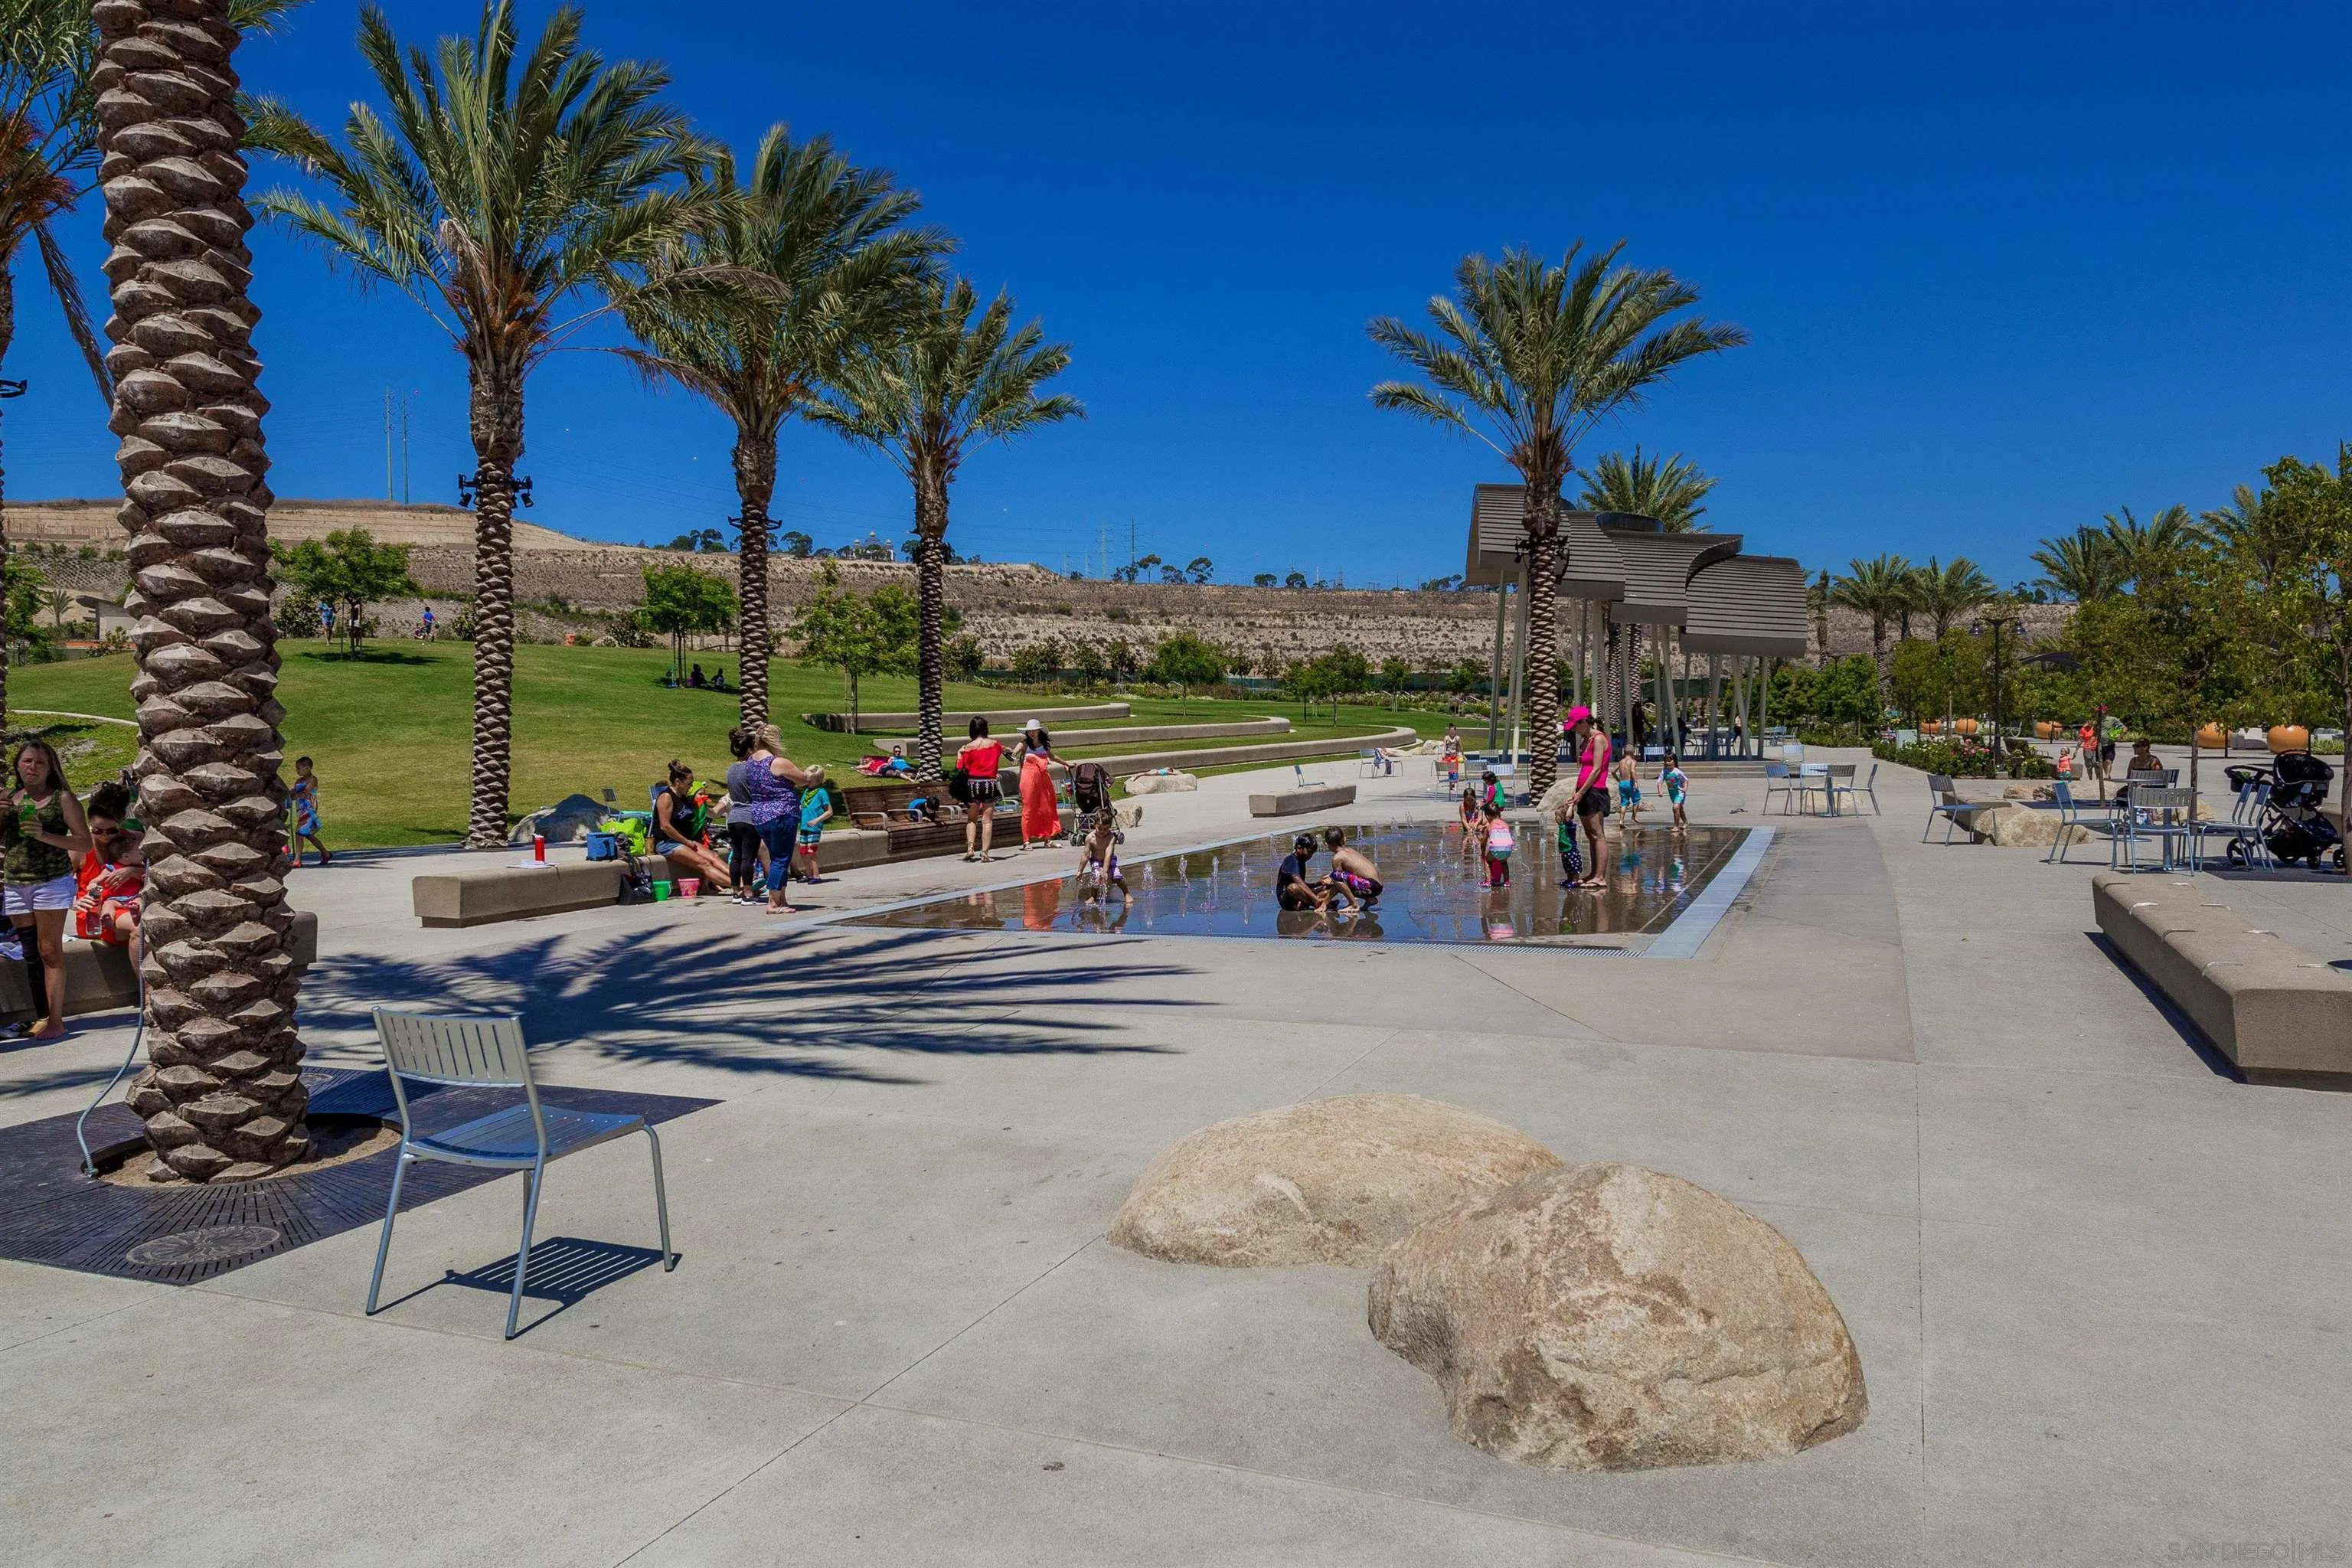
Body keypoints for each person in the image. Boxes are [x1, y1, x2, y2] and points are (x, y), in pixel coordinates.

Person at [3, 740, 92, 1040]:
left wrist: (44, 835)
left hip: (51, 881)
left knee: (49, 950)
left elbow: (84, 843)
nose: (33, 767)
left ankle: (56, 1021)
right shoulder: (8, 799)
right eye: (27, 761)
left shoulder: (62, 799)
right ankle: (41, 1016)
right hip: (17, 882)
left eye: (40, 762)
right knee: (30, 952)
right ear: (17, 765)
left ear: (50, 768)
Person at [733, 726, 822, 913]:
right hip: (781, 815)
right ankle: (773, 903)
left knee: (776, 858)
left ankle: (781, 900)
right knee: (781, 858)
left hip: (760, 815)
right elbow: (803, 780)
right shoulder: (778, 762)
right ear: (774, 740)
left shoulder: (751, 762)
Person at [75, 781, 145, 956]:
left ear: (121, 823)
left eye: (112, 830)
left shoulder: (134, 841)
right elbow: (56, 883)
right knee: (141, 929)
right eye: (98, 830)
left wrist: (131, 871)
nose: (105, 836)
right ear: (89, 824)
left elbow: (153, 874)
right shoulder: (80, 848)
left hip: (131, 902)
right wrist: (73, 903)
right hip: (96, 914)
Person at [653, 760, 731, 895]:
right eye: (689, 784)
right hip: (667, 843)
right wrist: (686, 842)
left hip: (686, 841)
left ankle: (744, 881)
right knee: (704, 863)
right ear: (678, 782)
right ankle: (739, 886)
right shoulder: (666, 797)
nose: (690, 787)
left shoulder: (683, 798)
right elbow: (665, 826)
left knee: (713, 856)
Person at [1569, 708, 1611, 890]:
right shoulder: (1587, 741)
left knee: (1598, 834)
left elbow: (1596, 769)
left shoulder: (1599, 739)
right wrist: (1577, 792)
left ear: (1584, 722)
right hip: (1585, 791)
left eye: (1575, 726)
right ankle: (1594, 874)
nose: (1574, 730)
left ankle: (1600, 877)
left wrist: (1581, 793)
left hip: (1595, 791)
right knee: (1590, 834)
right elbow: (1584, 769)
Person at [722, 727, 766, 903]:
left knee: (737, 855)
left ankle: (736, 892)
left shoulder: (731, 770)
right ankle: (748, 892)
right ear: (749, 750)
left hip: (734, 817)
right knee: (749, 856)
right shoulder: (751, 768)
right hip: (749, 816)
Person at [956, 717, 1006, 861]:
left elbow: (961, 767)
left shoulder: (968, 747)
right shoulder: (995, 744)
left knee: (972, 818)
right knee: (987, 820)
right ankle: (985, 853)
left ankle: (970, 847)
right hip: (989, 783)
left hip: (973, 784)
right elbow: (1003, 751)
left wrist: (959, 754)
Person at [1016, 719, 1063, 850]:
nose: (1032, 733)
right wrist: (1013, 753)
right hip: (1029, 778)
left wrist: (1066, 763)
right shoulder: (1025, 743)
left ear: (1039, 731)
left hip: (1043, 779)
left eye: (1034, 730)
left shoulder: (1043, 744)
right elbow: (1015, 751)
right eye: (1030, 731)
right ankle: (1026, 841)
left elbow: (1052, 756)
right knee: (1028, 808)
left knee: (1046, 808)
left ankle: (1048, 839)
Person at [1321, 826, 1382, 908]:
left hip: (1370, 887)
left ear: (1326, 844)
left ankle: (1353, 904)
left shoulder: (1337, 858)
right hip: (1377, 885)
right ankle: (1370, 899)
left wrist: (1325, 903)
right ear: (1344, 839)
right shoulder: (1350, 850)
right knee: (1335, 877)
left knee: (1335, 876)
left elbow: (1338, 881)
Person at [287, 756, 331, 867]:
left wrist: (295, 794)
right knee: (307, 834)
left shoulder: (312, 779)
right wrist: (292, 794)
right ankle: (325, 853)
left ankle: (297, 860)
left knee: (299, 832)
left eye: (299, 768)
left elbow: (306, 793)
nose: (297, 770)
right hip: (301, 809)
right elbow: (294, 796)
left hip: (309, 808)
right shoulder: (298, 781)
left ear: (308, 768)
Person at [1078, 814, 1126, 900]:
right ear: (1094, 825)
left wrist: (1105, 871)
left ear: (1110, 827)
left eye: (1105, 829)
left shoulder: (1111, 838)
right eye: (1099, 828)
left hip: (1110, 859)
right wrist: (1080, 871)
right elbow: (1086, 856)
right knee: (1097, 878)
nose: (1102, 831)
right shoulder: (1090, 838)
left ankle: (1127, 894)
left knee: (1117, 876)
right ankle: (1093, 897)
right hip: (1096, 860)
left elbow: (1108, 854)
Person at [795, 778, 833, 884]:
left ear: (817, 780)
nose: (807, 782)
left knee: (811, 851)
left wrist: (817, 820)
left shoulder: (821, 792)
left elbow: (829, 812)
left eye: (810, 780)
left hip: (814, 827)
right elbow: (802, 805)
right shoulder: (807, 791)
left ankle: (816, 876)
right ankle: (809, 875)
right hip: (804, 826)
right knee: (803, 851)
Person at [1276, 833, 1325, 912]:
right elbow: (1299, 883)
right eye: (1309, 852)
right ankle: (1316, 903)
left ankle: (1303, 903)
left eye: (1312, 853)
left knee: (1325, 889)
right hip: (1287, 899)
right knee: (1293, 887)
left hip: (1299, 895)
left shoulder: (1301, 862)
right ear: (1299, 848)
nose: (1310, 856)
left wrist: (1318, 884)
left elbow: (1303, 885)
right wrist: (1315, 899)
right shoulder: (1291, 860)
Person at [1476, 800, 1514, 888]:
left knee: (1487, 860)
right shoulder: (1506, 824)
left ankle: (1488, 881)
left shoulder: (1489, 826)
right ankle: (1506, 882)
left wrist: (1483, 852)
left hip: (1496, 848)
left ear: (1488, 816)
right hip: (1508, 848)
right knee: (1504, 862)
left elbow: (1484, 841)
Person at [1612, 747, 1645, 825]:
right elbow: (1632, 770)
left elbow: (1613, 772)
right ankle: (1634, 816)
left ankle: (1621, 821)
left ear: (1624, 753)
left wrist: (1618, 780)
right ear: (1633, 753)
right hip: (1630, 783)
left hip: (1622, 783)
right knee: (1636, 800)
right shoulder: (1633, 761)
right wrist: (1636, 782)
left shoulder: (1621, 762)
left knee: (1624, 803)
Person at [1658, 753, 1689, 831]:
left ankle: (1676, 826)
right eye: (1666, 761)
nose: (1667, 763)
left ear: (1674, 762)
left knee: (1675, 807)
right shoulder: (1664, 772)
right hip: (1672, 793)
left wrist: (1685, 788)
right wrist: (1660, 791)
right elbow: (1660, 782)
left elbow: (1685, 780)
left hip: (1680, 792)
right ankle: (1685, 822)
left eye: (1669, 761)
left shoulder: (1677, 772)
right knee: (1679, 809)